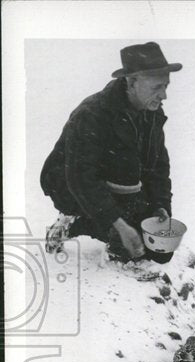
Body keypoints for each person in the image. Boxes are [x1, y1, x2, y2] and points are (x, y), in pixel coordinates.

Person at [41, 42, 182, 263]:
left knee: (159, 252)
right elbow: (81, 178)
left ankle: (112, 222)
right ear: (132, 82)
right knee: (126, 248)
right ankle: (72, 222)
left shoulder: (151, 112)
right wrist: (119, 224)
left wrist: (160, 206)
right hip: (71, 186)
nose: (164, 95)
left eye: (166, 86)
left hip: (120, 181)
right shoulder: (92, 114)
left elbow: (159, 166)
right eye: (157, 87)